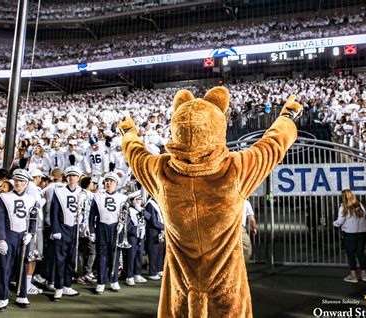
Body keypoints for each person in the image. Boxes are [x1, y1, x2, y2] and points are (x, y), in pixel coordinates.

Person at [118, 88, 301, 317]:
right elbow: (273, 145)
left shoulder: (160, 172)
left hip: (181, 288)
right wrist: (287, 117)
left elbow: (135, 154)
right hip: (226, 288)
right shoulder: (236, 169)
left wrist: (128, 132)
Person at [0, 169, 37, 312]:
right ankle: (3, 297)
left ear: (26, 183)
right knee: (5, 267)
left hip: (23, 237)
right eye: (17, 180)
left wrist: (31, 233)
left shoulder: (31, 198)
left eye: (22, 181)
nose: (18, 183)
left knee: (22, 267)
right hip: (8, 236)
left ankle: (22, 294)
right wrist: (1, 239)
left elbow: (33, 219)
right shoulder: (3, 197)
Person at [89, 172, 127, 294]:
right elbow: (91, 216)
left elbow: (126, 215)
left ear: (116, 184)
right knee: (101, 256)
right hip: (102, 227)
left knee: (114, 256)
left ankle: (114, 280)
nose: (109, 183)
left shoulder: (122, 197)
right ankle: (101, 282)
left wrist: (123, 224)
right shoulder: (97, 196)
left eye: (111, 181)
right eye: (107, 181)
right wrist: (92, 231)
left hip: (116, 228)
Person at [50, 166, 82, 301]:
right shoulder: (58, 192)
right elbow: (54, 212)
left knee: (71, 258)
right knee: (60, 259)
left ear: (78, 178)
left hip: (76, 228)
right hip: (63, 228)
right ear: (66, 178)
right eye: (69, 176)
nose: (72, 178)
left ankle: (67, 285)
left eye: (74, 176)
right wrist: (55, 229)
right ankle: (58, 287)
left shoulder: (83, 192)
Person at [333, 189, 366, 283]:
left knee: (351, 254)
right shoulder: (359, 205)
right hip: (362, 232)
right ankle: (364, 275)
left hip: (349, 233)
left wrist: (334, 224)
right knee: (360, 253)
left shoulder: (344, 207)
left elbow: (340, 221)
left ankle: (354, 276)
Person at [124, 190, 148, 286]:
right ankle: (129, 276)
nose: (139, 201)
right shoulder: (128, 210)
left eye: (140, 199)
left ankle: (137, 274)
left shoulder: (141, 209)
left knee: (139, 255)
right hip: (132, 236)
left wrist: (139, 208)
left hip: (141, 236)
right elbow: (127, 225)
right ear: (132, 200)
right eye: (137, 199)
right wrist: (135, 231)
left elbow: (149, 217)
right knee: (131, 256)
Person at [145, 196, 165, 280]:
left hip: (159, 230)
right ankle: (153, 272)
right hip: (153, 231)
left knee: (160, 250)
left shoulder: (158, 203)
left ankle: (159, 269)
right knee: (153, 252)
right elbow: (153, 221)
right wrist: (164, 227)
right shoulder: (150, 204)